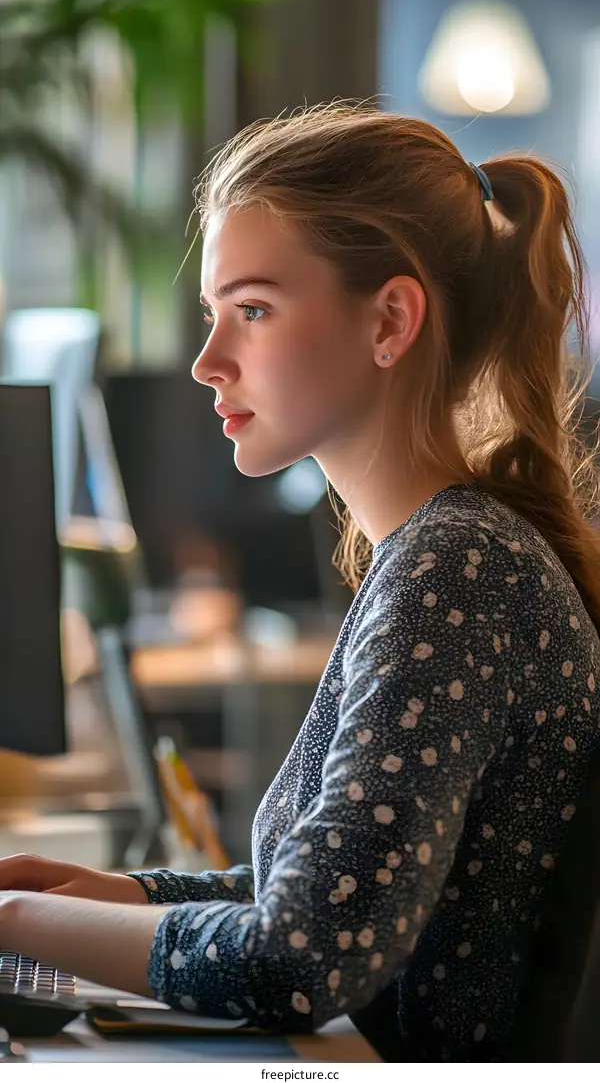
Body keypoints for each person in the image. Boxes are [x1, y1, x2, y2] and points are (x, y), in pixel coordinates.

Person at [2, 101, 600, 1062]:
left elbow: (303, 958)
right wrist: (125, 896)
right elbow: (326, 892)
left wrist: (17, 925)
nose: (207, 363)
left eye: (254, 310)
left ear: (391, 319)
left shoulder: (458, 569)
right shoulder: (436, 552)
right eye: (215, 315)